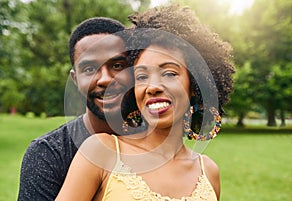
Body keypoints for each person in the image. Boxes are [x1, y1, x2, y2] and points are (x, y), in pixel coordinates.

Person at [55, 4, 235, 201]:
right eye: (141, 76)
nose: (153, 86)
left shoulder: (209, 172)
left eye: (169, 73)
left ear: (194, 84)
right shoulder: (102, 152)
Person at [18, 17, 133, 200]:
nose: (104, 79)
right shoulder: (48, 154)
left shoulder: (156, 141)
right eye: (89, 69)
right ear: (75, 79)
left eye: (117, 66)